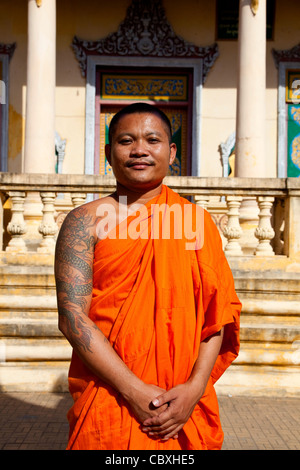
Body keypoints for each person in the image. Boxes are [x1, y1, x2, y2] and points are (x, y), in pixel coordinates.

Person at [54, 102, 241, 450]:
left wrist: (193, 391)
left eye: (152, 140)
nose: (139, 149)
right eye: (126, 140)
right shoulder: (84, 222)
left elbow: (218, 318)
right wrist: (135, 391)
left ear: (171, 153)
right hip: (110, 394)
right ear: (109, 153)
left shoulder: (197, 223)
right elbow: (72, 317)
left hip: (184, 403)